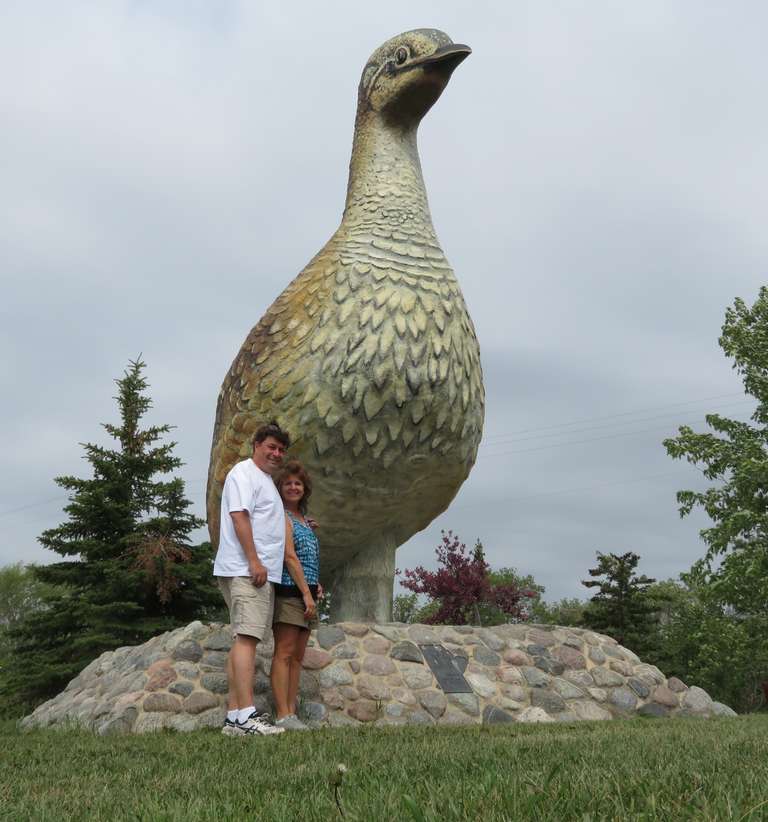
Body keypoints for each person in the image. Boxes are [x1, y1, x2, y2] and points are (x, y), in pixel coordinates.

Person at [214, 420, 290, 737]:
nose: (276, 453)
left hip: (256, 571)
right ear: (256, 445)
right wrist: (254, 560)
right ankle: (246, 715)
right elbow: (239, 515)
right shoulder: (243, 473)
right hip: (248, 570)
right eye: (271, 447)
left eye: (281, 450)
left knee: (243, 639)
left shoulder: (264, 479)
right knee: (248, 639)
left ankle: (234, 718)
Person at [270, 460, 321, 731]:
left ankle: (292, 713)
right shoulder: (282, 517)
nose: (293, 487)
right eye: (288, 483)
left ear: (305, 489)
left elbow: (308, 559)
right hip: (291, 594)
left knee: (298, 658)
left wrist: (316, 587)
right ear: (280, 488)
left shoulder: (305, 521)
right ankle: (282, 714)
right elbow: (289, 557)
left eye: (297, 483)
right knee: (285, 653)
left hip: (308, 594)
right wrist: (305, 594)